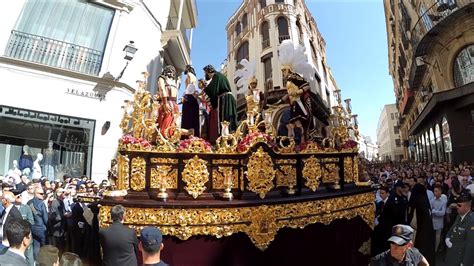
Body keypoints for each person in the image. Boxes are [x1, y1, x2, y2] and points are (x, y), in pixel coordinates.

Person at [202, 64, 238, 142]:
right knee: (229, 119)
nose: (205, 75)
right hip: (227, 98)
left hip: (225, 99)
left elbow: (213, 90)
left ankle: (225, 140)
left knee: (225, 119)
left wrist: (204, 88)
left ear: (208, 72)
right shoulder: (220, 76)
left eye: (205, 73)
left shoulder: (216, 76)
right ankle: (230, 139)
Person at [407, 183, 435, 265]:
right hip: (428, 233)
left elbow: (413, 223)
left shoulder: (416, 202)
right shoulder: (425, 201)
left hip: (418, 234)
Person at [444, 189, 474, 266]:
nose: (456, 207)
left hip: (460, 259)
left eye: (459, 205)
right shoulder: (459, 216)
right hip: (451, 256)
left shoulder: (471, 221)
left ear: (467, 207)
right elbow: (451, 230)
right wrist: (447, 238)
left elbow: (470, 245)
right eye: (457, 204)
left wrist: (465, 263)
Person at [156, 65, 180, 137]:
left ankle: (171, 139)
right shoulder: (162, 78)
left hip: (174, 103)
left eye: (173, 71)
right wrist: (165, 103)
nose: (171, 73)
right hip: (166, 102)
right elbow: (162, 89)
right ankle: (163, 140)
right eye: (169, 71)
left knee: (174, 123)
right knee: (165, 122)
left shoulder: (174, 82)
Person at [13, 189, 34, 266]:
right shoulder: (11, 208)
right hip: (14, 237)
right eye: (17, 195)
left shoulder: (26, 207)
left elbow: (31, 221)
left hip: (26, 236)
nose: (19, 197)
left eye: (21, 195)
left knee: (29, 257)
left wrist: (22, 226)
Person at [27, 187, 48, 259]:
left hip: (32, 227)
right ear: (35, 194)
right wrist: (48, 227)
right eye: (41, 194)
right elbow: (45, 218)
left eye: (43, 193)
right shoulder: (41, 203)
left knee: (36, 245)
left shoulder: (28, 202)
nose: (42, 195)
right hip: (41, 228)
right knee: (45, 246)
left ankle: (36, 262)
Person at [181, 65, 200, 137]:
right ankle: (194, 136)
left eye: (185, 68)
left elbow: (189, 86)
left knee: (187, 117)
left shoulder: (189, 74)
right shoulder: (195, 76)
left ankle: (186, 136)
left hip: (189, 97)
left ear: (188, 68)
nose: (184, 70)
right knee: (193, 117)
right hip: (193, 98)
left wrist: (184, 96)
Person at [429, 184, 447, 252]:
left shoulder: (443, 201)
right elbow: (429, 210)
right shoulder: (432, 200)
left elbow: (443, 213)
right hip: (432, 220)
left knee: (438, 236)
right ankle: (431, 248)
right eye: (434, 191)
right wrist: (436, 212)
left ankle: (435, 250)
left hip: (439, 221)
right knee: (431, 236)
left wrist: (434, 211)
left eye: (436, 191)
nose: (434, 192)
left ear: (440, 192)